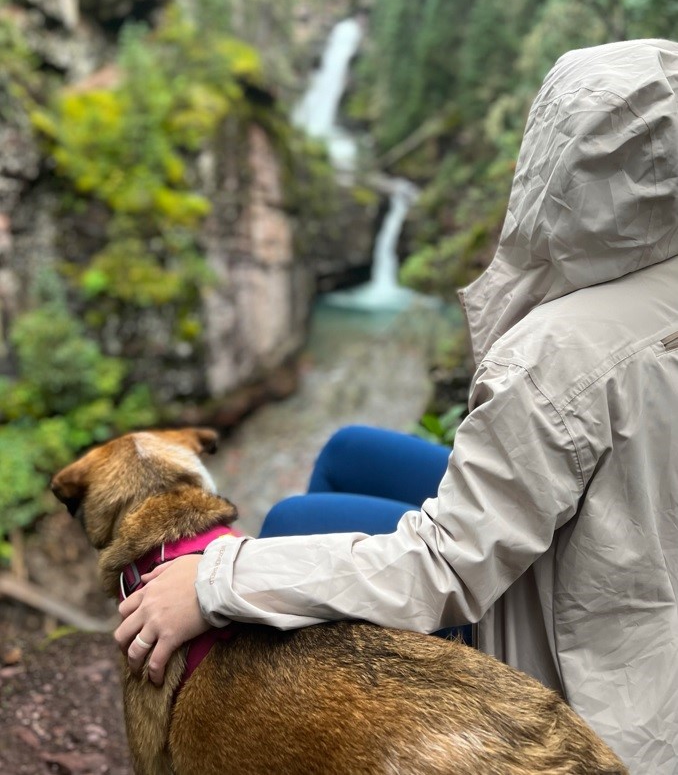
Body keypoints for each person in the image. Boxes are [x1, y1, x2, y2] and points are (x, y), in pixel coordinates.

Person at [116, 39, 678, 773]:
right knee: (349, 449)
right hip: (624, 556)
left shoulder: (558, 352)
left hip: (580, 670)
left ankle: (323, 723)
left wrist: (218, 580)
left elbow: (445, 570)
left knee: (285, 525)